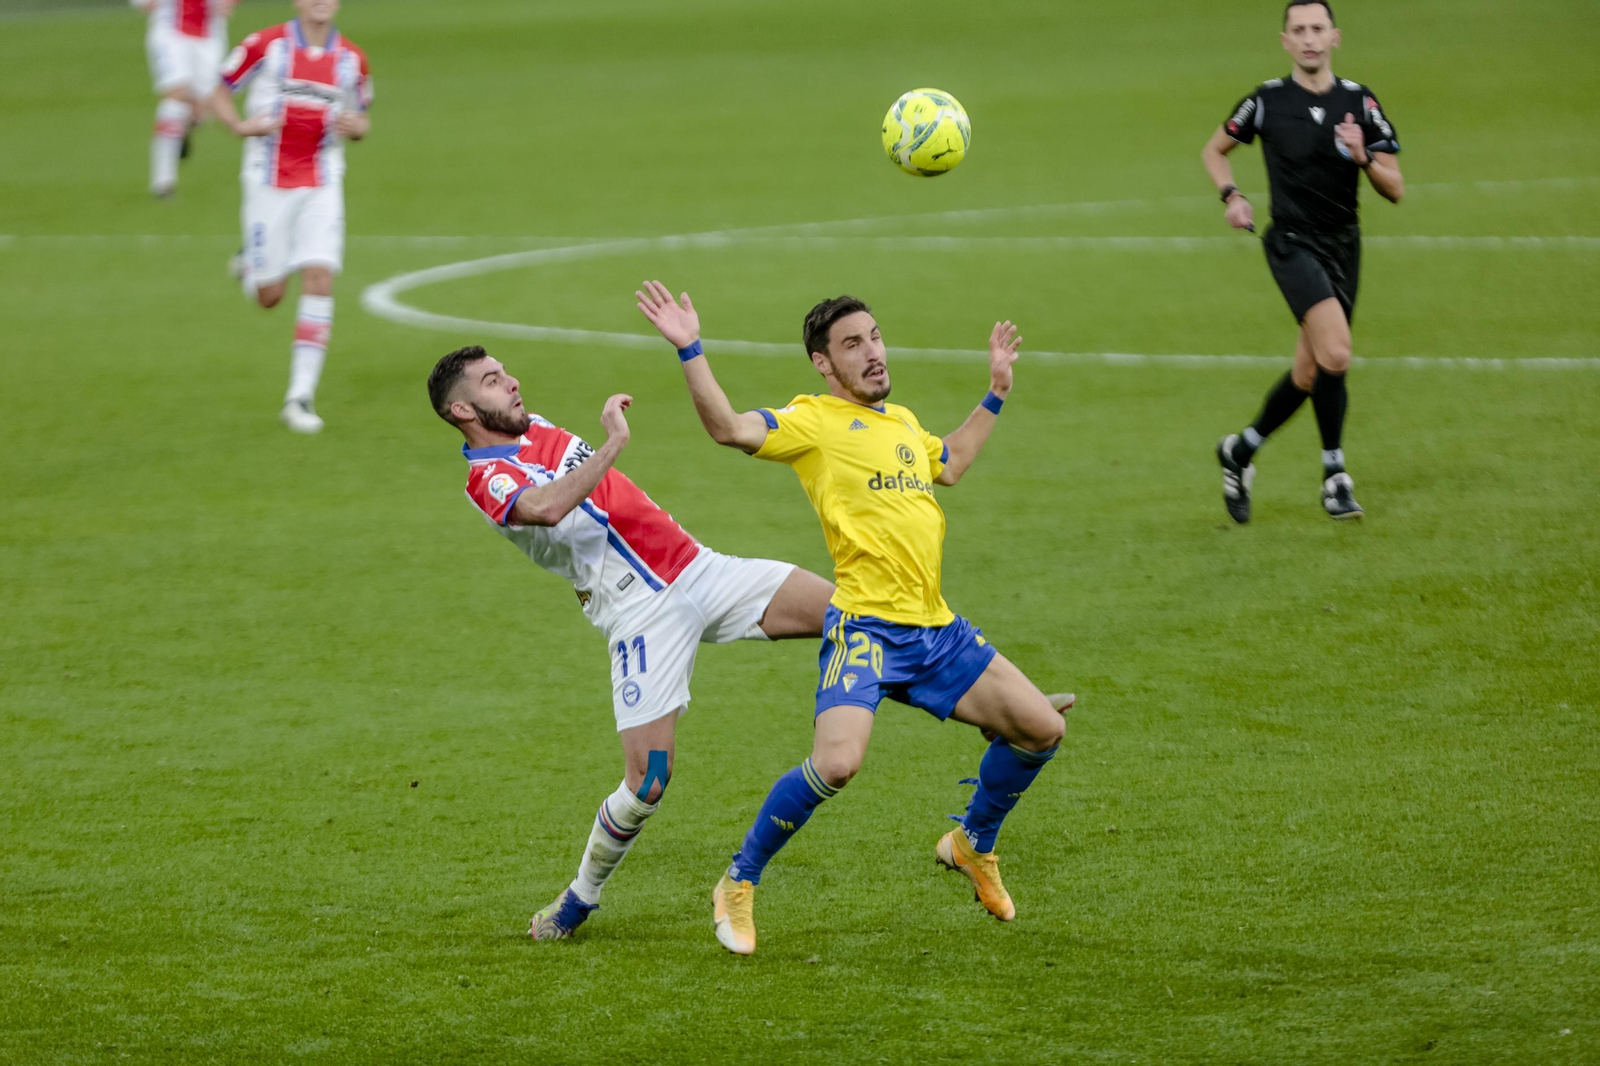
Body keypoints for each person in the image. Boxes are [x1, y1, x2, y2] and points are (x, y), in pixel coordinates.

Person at [636, 281, 1074, 956]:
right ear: (823, 363)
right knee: (837, 764)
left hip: (937, 630)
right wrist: (690, 346)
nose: (872, 353)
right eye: (852, 344)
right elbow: (728, 427)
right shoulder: (812, 422)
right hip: (866, 629)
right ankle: (737, 881)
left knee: (1043, 730)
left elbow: (950, 463)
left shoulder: (900, 422)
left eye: (874, 337)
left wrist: (996, 392)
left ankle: (970, 844)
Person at [425, 345, 835, 940]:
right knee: (647, 781)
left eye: (506, 371)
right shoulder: (486, 480)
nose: (512, 382)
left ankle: (968, 708)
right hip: (640, 615)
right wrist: (612, 443)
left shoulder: (534, 426)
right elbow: (544, 506)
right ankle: (578, 900)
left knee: (853, 613)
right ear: (463, 409)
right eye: (493, 381)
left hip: (699, 569)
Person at [1201, 0, 1403, 522]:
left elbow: (1395, 187)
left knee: (1310, 372)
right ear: (1285, 41)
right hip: (1291, 242)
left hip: (1344, 244)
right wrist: (1233, 197)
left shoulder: (1361, 103)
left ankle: (1239, 450)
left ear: (1335, 37)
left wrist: (1362, 156)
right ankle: (1335, 477)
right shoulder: (1266, 102)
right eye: (1299, 30)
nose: (1309, 38)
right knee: (1337, 353)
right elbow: (1215, 150)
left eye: (1318, 28)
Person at [210, 0, 372, 434]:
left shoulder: (352, 59)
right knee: (269, 296)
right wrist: (239, 127)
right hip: (267, 182)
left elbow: (361, 118)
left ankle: (299, 396)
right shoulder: (265, 45)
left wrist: (356, 128)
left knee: (320, 275)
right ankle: (252, 262)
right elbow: (219, 86)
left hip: (322, 181)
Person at [133, 0, 234, 198]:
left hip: (210, 33)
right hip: (169, 30)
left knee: (206, 108)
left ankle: (183, 127)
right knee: (176, 95)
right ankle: (163, 183)